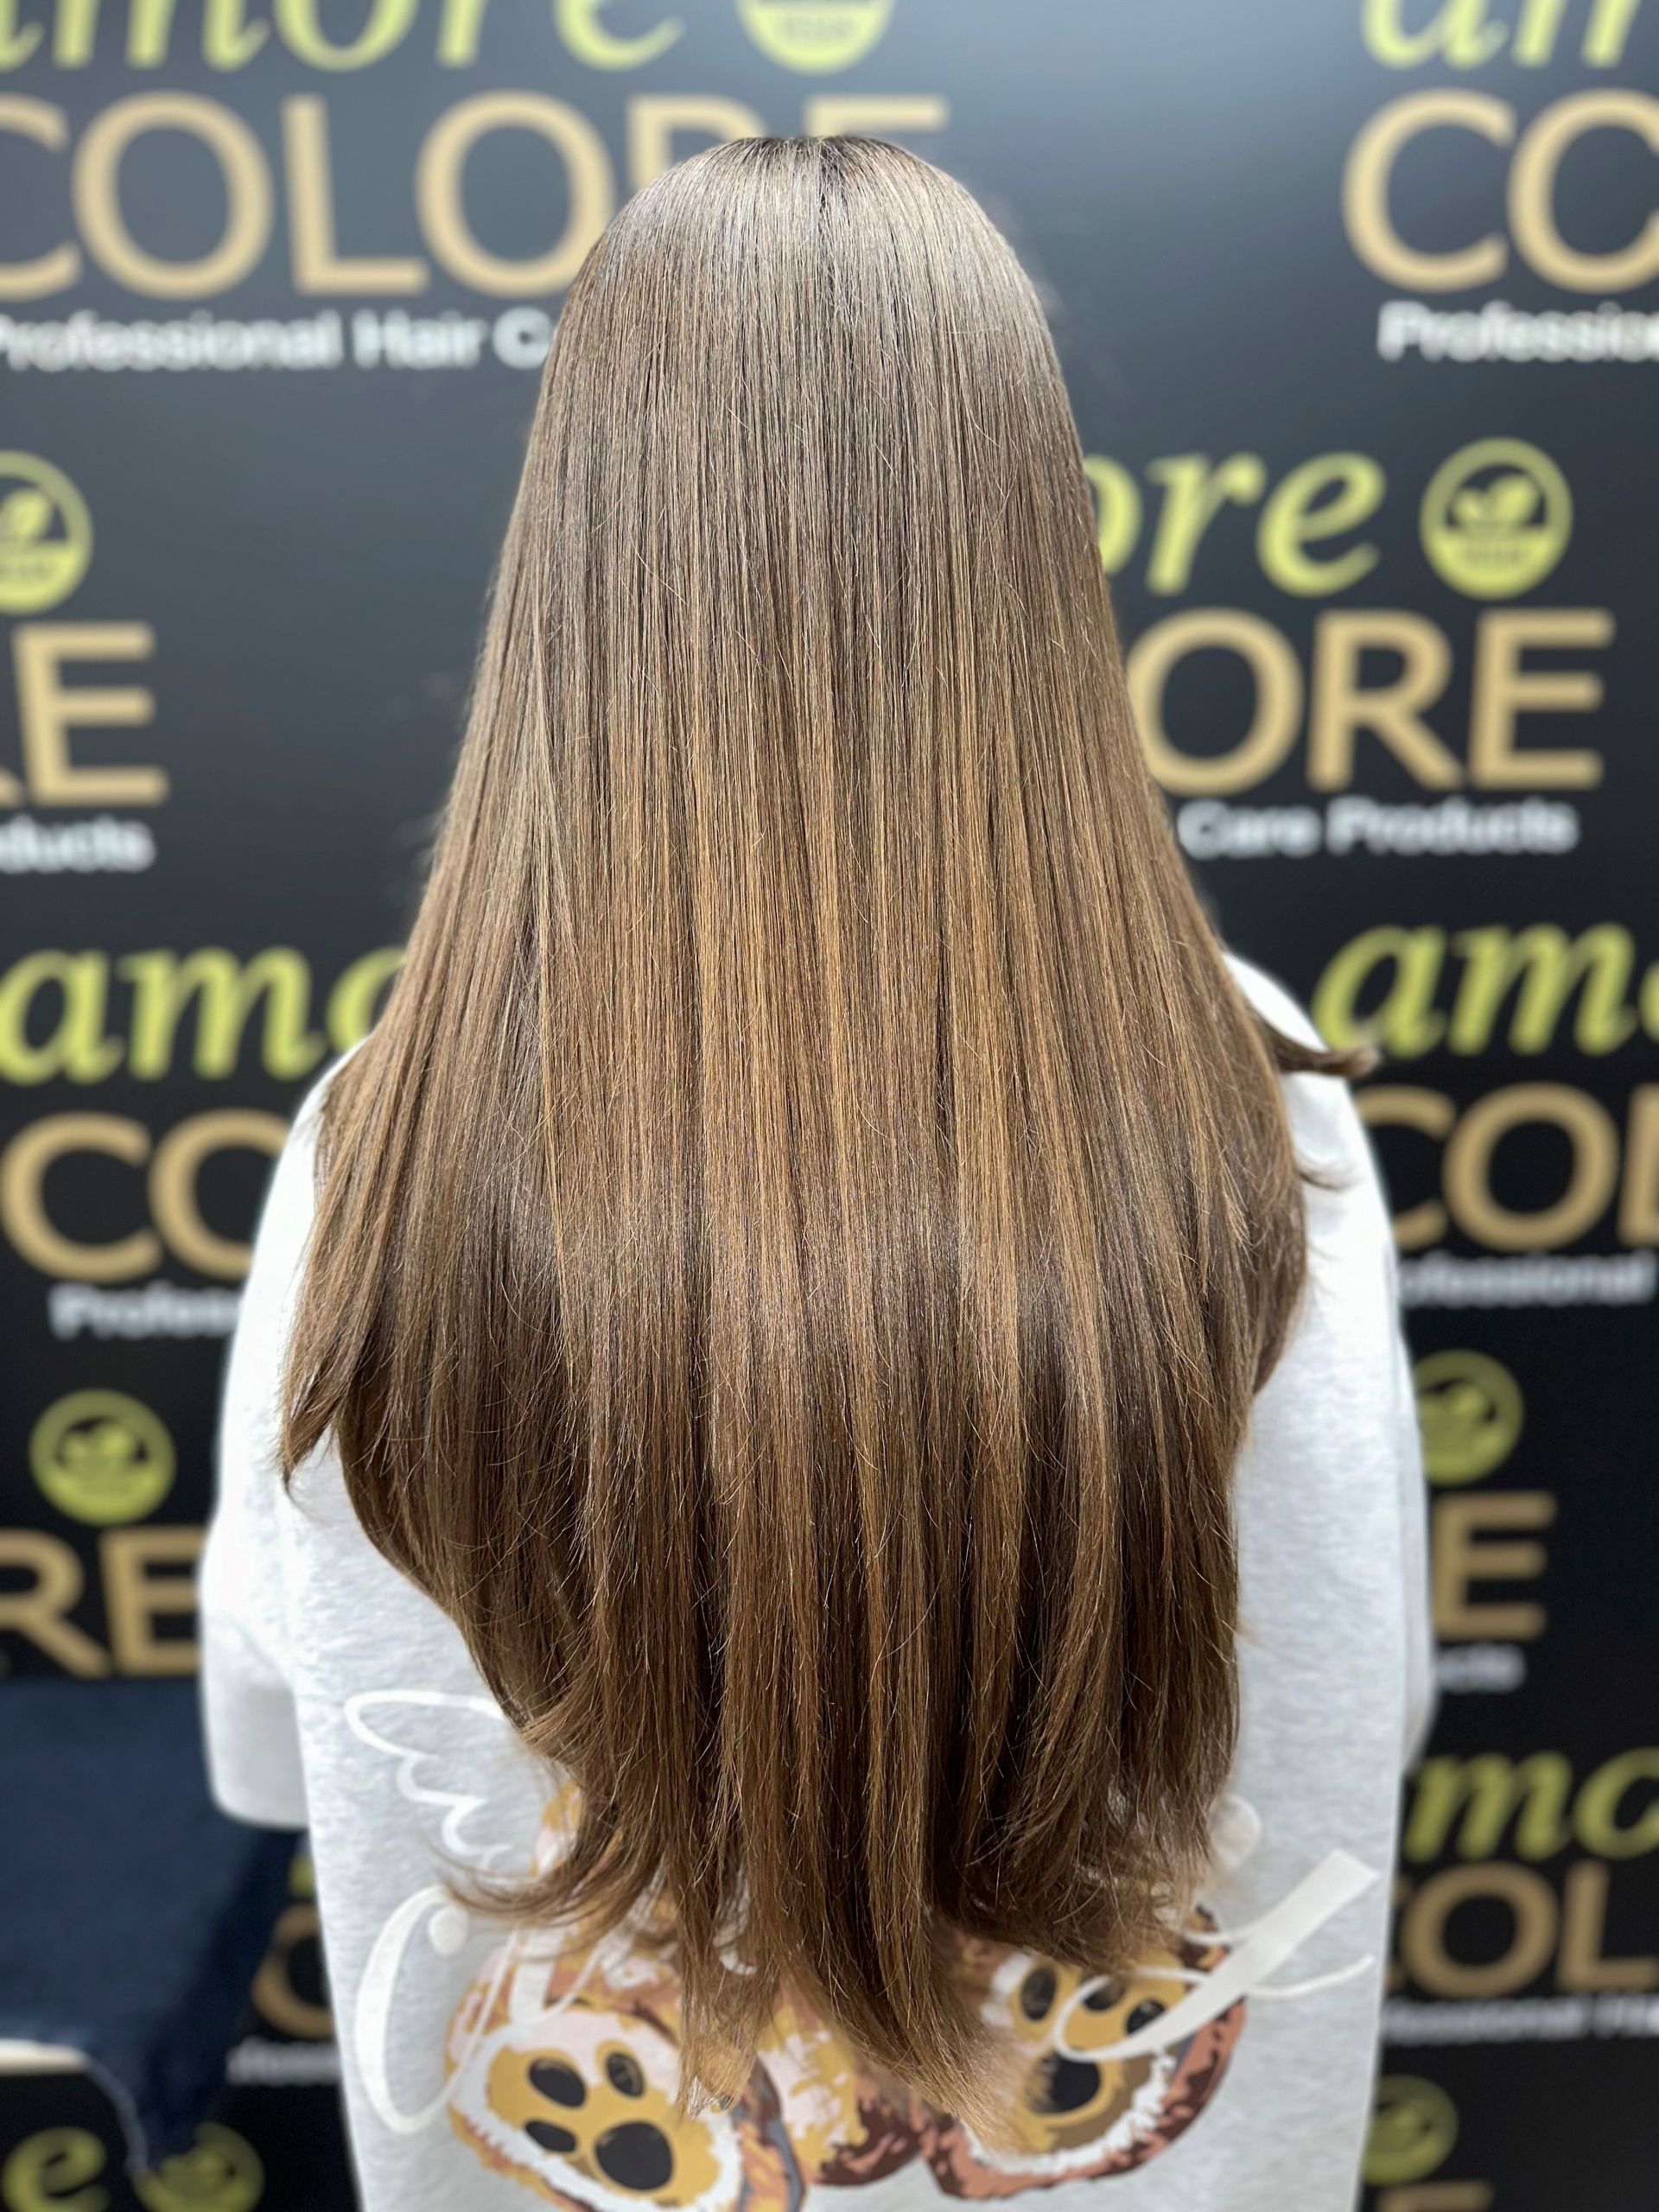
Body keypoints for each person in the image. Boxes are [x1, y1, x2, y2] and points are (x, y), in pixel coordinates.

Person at [200, 134, 1433, 2212]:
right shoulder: (1257, 1111)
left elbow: (265, 1731)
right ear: (1030, 544)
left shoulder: (383, 1149)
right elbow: (1359, 1694)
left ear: (580, 554)